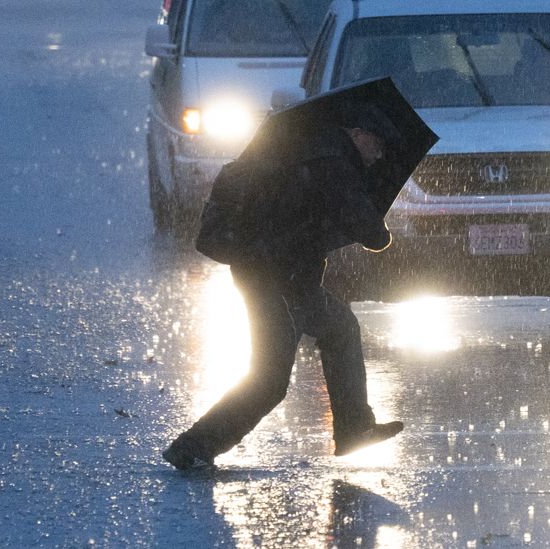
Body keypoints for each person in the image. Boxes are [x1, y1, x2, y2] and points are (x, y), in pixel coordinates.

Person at [162, 103, 405, 470]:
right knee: (270, 379)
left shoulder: (316, 149)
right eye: (379, 146)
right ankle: (193, 446)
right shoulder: (330, 161)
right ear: (359, 134)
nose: (379, 156)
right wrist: (380, 228)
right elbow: (370, 232)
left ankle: (355, 428)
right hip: (269, 274)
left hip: (287, 272)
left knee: (340, 328)